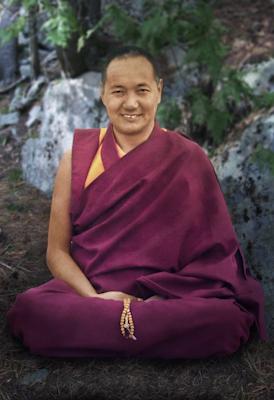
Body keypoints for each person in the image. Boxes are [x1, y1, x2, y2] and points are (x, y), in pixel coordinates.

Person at [7, 46, 267, 359]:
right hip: (93, 292)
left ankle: (106, 332)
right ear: (103, 94)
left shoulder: (189, 158)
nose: (131, 103)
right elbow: (57, 251)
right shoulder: (77, 158)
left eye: (142, 90)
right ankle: (145, 333)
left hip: (169, 297)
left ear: (159, 91)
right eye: (118, 91)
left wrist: (160, 299)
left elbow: (215, 255)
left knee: (225, 320)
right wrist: (95, 300)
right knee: (31, 310)